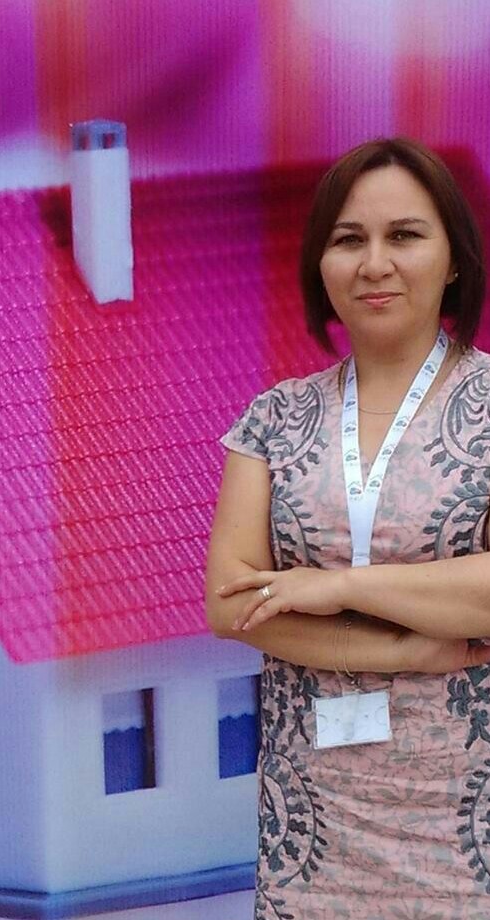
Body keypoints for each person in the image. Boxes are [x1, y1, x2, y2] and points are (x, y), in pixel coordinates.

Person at [206, 136, 490, 920]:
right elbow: (232, 605)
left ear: (453, 259)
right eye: (347, 239)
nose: (374, 263)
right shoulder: (273, 420)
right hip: (314, 824)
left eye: (403, 235)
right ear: (319, 264)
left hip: (467, 820)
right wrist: (405, 649)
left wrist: (335, 588)